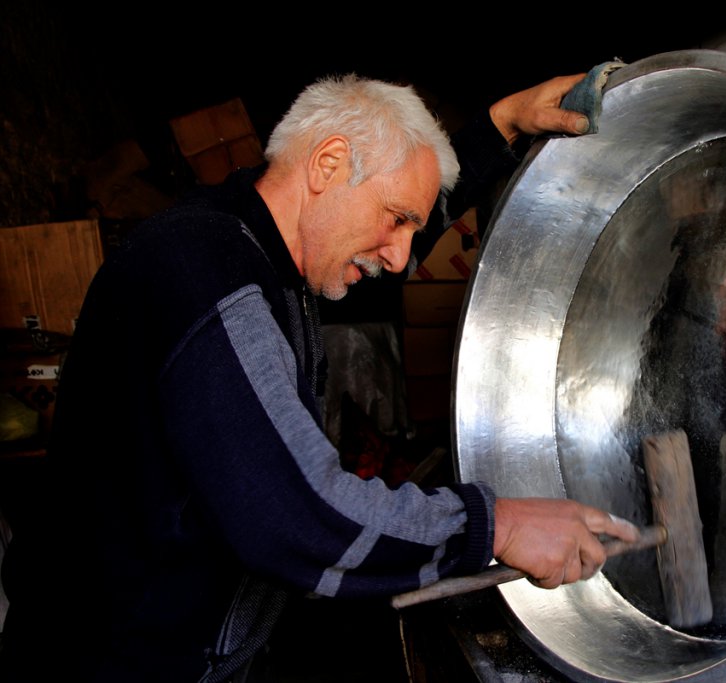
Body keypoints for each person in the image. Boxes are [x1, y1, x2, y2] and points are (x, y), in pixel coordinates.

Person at [0, 72, 637, 682]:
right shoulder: (205, 272)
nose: (400, 258)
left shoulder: (260, 254)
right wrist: (499, 525)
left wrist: (502, 124)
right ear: (327, 164)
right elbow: (293, 514)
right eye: (397, 220)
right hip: (109, 665)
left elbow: (398, 211)